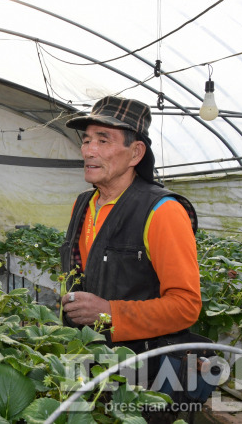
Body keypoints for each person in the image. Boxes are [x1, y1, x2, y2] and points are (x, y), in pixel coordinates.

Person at [59, 96, 202, 366]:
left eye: (103, 140)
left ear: (136, 153)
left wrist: (110, 312)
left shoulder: (162, 211)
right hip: (89, 356)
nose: (89, 151)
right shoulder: (83, 204)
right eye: (87, 140)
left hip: (141, 370)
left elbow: (186, 307)